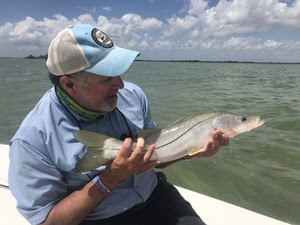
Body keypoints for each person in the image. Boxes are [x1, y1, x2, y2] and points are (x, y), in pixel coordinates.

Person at [8, 24, 229, 225]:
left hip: (155, 196)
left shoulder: (133, 95)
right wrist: (109, 178)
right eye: (106, 78)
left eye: (119, 72)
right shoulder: (32, 141)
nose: (121, 84)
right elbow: (49, 221)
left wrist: (191, 150)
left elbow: (157, 158)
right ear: (69, 84)